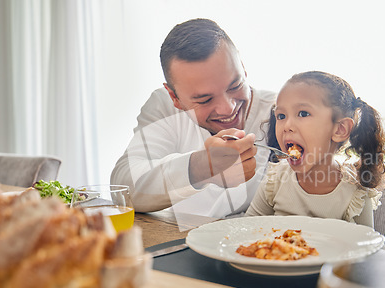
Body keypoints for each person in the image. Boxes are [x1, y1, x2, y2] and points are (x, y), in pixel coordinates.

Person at [111, 19, 276, 219]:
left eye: (235, 86)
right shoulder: (164, 107)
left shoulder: (282, 111)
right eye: (205, 100)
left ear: (242, 67)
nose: (228, 108)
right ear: (175, 98)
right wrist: (201, 167)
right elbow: (123, 190)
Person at [245, 71, 385, 227]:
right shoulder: (274, 180)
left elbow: (365, 246)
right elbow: (247, 229)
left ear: (339, 129)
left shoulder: (356, 193)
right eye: (281, 116)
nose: (286, 126)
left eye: (303, 113)